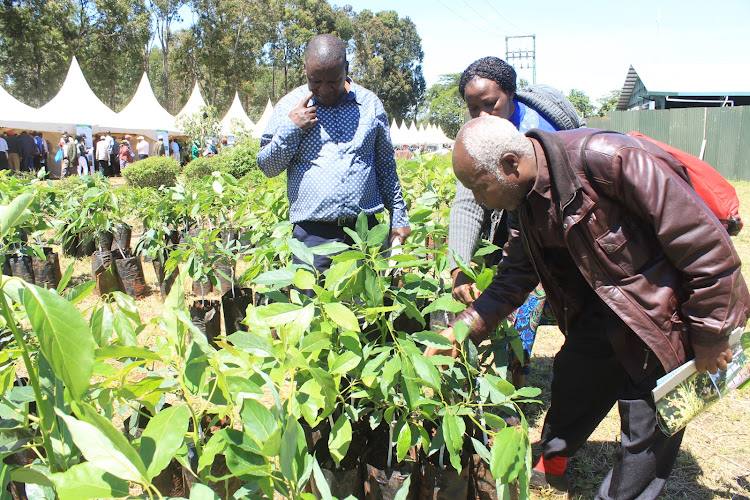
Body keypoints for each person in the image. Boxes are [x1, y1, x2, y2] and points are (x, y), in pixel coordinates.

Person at [426, 116, 750, 498]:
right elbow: (514, 276)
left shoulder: (611, 160)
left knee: (648, 430)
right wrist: (461, 330)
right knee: (574, 380)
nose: (478, 201)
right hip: (601, 311)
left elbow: (706, 250)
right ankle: (553, 462)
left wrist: (712, 334)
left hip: (662, 317)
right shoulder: (523, 199)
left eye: (478, 188)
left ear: (511, 164)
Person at [258, 33, 410, 277]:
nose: (325, 89)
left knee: (366, 311)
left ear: (347, 69)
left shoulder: (370, 105)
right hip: (312, 237)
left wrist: (399, 215)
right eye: (315, 81)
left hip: (365, 233)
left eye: (334, 81)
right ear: (305, 70)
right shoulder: (289, 107)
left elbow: (385, 166)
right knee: (313, 308)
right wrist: (291, 128)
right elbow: (267, 167)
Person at [450, 56, 559, 391]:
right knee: (498, 297)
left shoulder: (538, 134)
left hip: (548, 233)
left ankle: (512, 394)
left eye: (491, 104)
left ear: (511, 95)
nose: (483, 115)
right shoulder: (478, 136)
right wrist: (458, 265)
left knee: (523, 309)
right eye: (472, 108)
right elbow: (467, 201)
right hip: (509, 230)